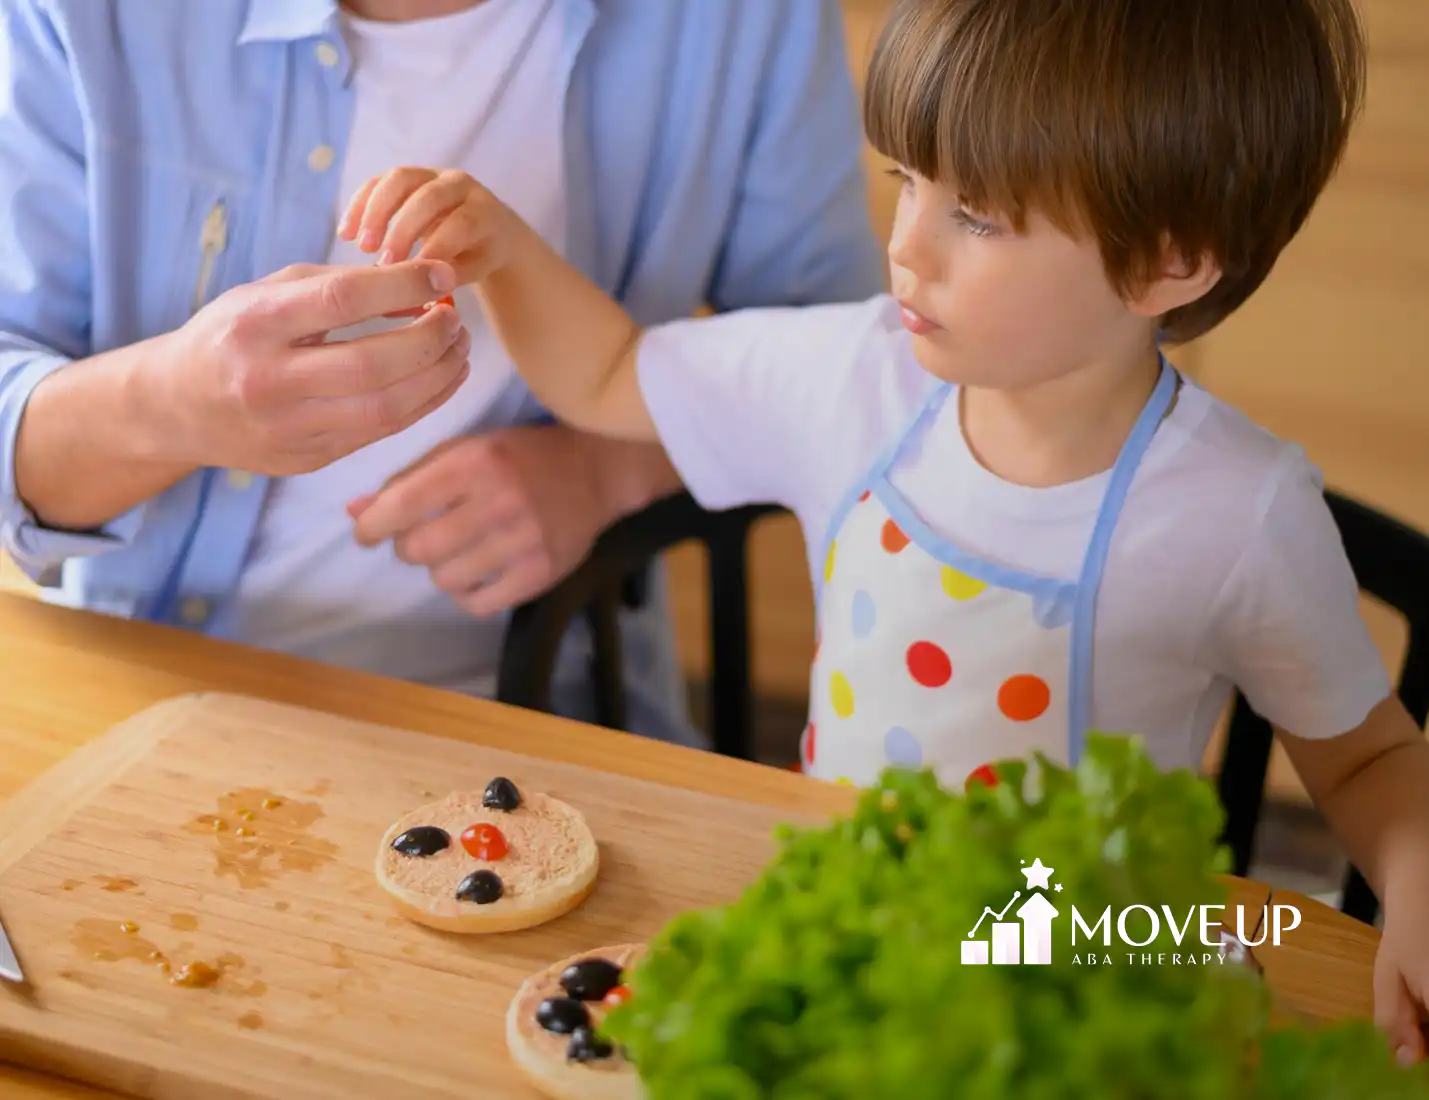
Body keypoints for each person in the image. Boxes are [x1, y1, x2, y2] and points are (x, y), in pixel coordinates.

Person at [343, 0, 1429, 1064]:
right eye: (907, 181)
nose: (905, 245)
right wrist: (501, 246)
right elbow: (610, 372)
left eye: (978, 215)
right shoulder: (852, 376)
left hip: (1083, 980)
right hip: (853, 941)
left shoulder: (1238, 511)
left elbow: (1371, 754)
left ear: (1165, 262)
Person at [0, 0, 883, 748]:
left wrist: (605, 471)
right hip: (133, 699)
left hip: (539, 712)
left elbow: (836, 368)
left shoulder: (741, 21)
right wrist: (170, 405)